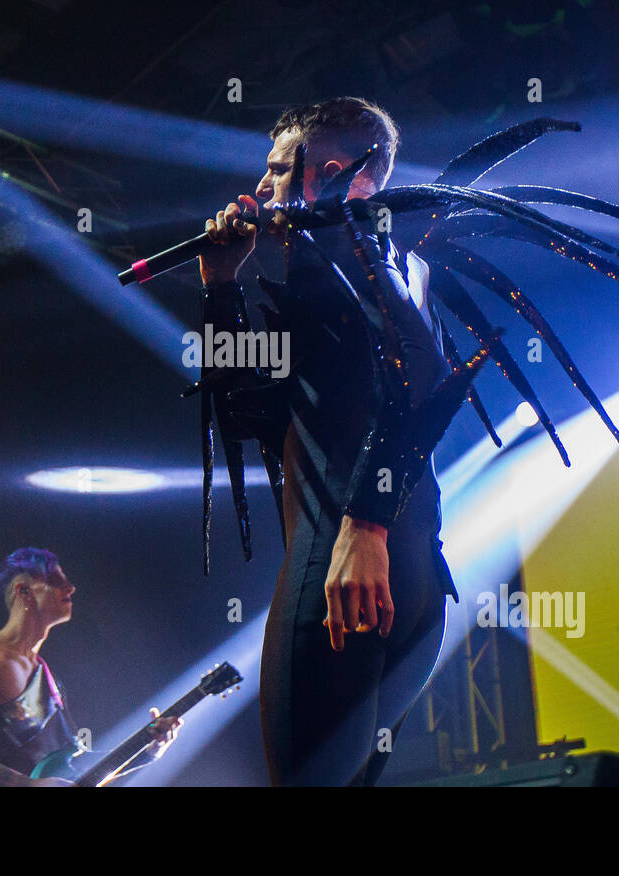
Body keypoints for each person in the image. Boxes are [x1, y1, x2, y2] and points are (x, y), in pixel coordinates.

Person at [200, 96, 455, 785]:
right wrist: (222, 286)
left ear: (333, 172)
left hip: (347, 560)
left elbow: (422, 376)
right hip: (408, 575)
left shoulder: (359, 253)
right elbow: (252, 414)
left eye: (278, 170)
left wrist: (365, 525)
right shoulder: (348, 265)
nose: (260, 188)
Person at [0, 547, 181, 786]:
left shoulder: (49, 678)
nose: (71, 588)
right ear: (24, 591)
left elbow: (80, 770)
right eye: (55, 580)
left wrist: (149, 750)